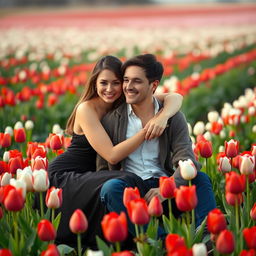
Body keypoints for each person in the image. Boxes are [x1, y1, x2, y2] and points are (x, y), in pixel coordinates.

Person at [47, 55, 183, 249]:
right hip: (68, 176)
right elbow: (111, 155)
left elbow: (175, 97)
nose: (109, 89)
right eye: (103, 83)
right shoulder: (87, 108)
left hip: (92, 175)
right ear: (95, 83)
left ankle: (150, 237)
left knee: (119, 183)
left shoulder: (123, 103)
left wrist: (164, 116)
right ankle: (159, 242)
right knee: (125, 180)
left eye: (116, 83)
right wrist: (147, 129)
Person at [97, 54, 216, 238]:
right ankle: (161, 242)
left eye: (136, 81)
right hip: (133, 190)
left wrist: (168, 186)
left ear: (153, 85)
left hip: (166, 186)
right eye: (126, 80)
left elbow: (186, 159)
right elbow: (104, 168)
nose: (128, 87)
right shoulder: (112, 120)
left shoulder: (172, 117)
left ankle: (207, 236)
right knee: (110, 188)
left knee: (200, 178)